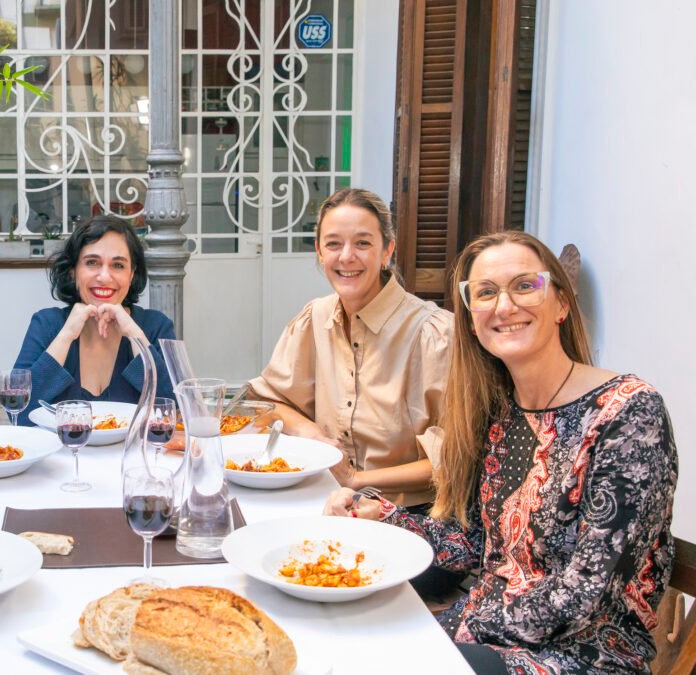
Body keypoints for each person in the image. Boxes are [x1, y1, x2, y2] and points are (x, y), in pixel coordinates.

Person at [325, 231, 677, 674]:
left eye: (524, 286)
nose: (505, 306)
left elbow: (590, 591)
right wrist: (383, 516)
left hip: (588, 654)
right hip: (487, 632)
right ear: (472, 318)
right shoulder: (500, 412)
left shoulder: (628, 413)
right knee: (340, 640)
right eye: (486, 293)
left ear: (562, 304)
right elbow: (476, 544)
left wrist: (455, 627)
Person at [248, 188, 452, 507]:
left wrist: (357, 480)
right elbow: (269, 401)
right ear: (319, 251)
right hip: (325, 499)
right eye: (333, 244)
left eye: (363, 243)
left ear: (387, 251)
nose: (346, 257)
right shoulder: (315, 317)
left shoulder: (433, 333)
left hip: (411, 514)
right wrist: (309, 432)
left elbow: (456, 457)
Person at [13, 215, 175, 423]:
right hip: (63, 455)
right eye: (92, 263)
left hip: (134, 455)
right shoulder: (46, 324)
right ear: (73, 271)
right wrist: (66, 336)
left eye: (118, 265)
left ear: (132, 274)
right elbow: (18, 414)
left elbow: (174, 412)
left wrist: (135, 335)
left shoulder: (156, 326)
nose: (105, 277)